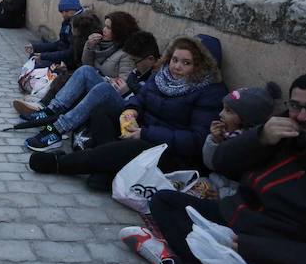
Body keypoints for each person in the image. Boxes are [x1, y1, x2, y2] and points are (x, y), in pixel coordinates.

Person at [124, 73, 306, 264]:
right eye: (296, 106)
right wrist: (260, 139)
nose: (302, 116)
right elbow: (221, 162)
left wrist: (251, 248)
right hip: (234, 217)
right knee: (164, 201)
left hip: (280, 247)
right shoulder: (286, 130)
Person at [29, 35, 225, 191]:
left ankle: (60, 163)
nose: (177, 67)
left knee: (130, 147)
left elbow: (197, 139)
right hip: (143, 130)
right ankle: (107, 173)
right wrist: (131, 110)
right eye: (174, 60)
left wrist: (146, 133)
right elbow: (141, 98)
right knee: (102, 111)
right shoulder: (162, 76)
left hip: (168, 151)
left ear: (200, 66)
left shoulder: (210, 92)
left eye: (186, 63)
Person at [22, 21, 152, 152]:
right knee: (85, 71)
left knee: (102, 88)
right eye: (104, 26)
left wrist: (126, 91)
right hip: (107, 87)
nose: (104, 30)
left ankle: (58, 129)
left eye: (108, 27)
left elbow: (134, 93)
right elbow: (87, 64)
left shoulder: (134, 62)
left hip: (123, 104)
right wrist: (89, 46)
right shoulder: (108, 47)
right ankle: (51, 110)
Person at [24, 0, 82, 67]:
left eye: (67, 11)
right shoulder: (67, 22)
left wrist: (43, 56)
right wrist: (35, 47)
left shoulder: (79, 24)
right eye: (62, 12)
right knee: (33, 56)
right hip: (63, 55)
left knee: (39, 63)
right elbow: (60, 44)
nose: (63, 14)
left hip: (70, 61)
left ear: (75, 10)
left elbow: (70, 53)